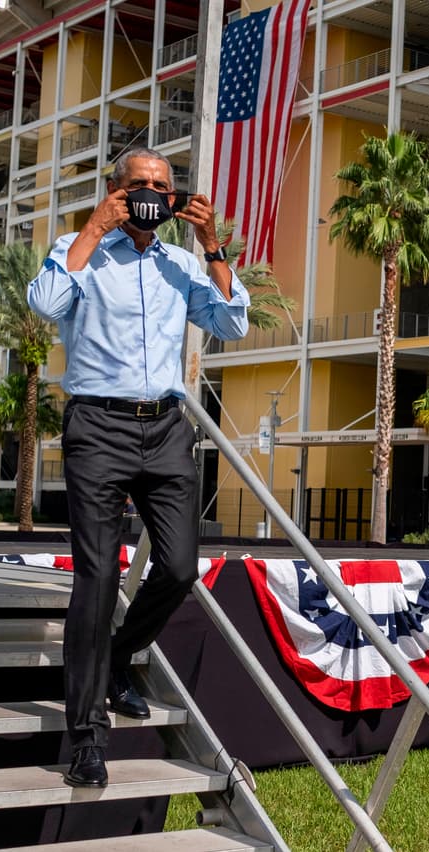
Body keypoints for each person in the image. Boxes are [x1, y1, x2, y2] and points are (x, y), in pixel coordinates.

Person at [28, 146, 249, 788]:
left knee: (180, 565)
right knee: (97, 583)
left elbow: (231, 321)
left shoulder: (182, 263)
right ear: (116, 189)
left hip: (166, 429)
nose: (152, 194)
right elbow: (45, 302)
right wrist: (95, 227)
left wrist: (210, 242)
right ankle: (86, 738)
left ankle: (122, 658)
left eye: (163, 186)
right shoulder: (81, 247)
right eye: (140, 185)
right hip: (97, 425)